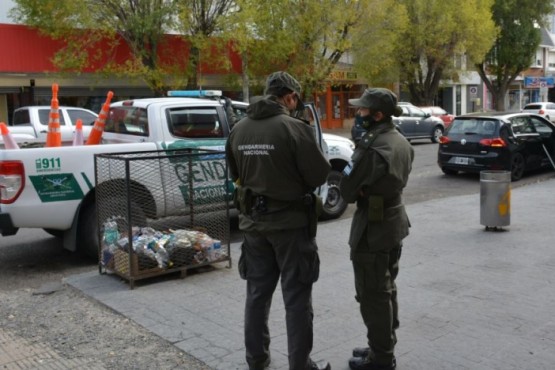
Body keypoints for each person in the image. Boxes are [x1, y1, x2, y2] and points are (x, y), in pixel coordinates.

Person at [225, 71, 332, 370]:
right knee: (296, 299)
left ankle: (256, 361)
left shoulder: (239, 128)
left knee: (257, 296)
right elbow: (319, 175)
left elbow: (235, 173)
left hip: (253, 227)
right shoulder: (294, 128)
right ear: (289, 97)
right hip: (291, 228)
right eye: (295, 99)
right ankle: (300, 365)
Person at [340, 88, 414, 370]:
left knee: (373, 296)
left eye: (362, 110)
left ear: (378, 115)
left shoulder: (371, 147)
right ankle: (381, 346)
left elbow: (346, 190)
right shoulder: (400, 141)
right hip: (394, 222)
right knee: (386, 289)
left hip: (373, 229)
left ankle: (381, 358)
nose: (358, 114)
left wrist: (359, 188)